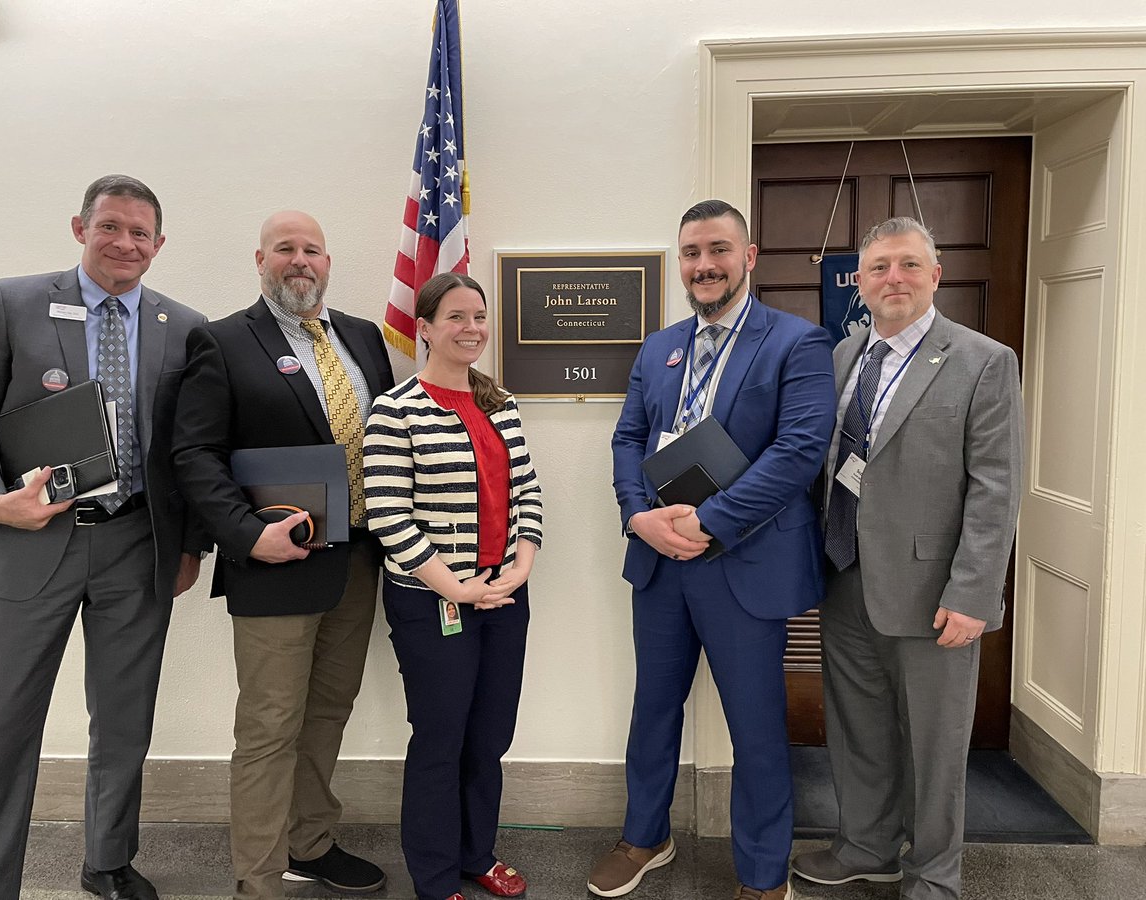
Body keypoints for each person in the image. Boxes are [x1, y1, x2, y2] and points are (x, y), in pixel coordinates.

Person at [0, 175, 207, 900]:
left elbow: (189, 450)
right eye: (110, 227)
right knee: (5, 726)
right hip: (33, 544)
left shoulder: (183, 327)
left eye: (140, 233)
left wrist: (189, 545)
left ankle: (108, 863)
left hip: (136, 547)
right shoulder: (14, 302)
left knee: (124, 723)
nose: (125, 243)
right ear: (79, 228)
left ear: (159, 244)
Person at [589, 200, 836, 900]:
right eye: (692, 252)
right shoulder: (658, 347)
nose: (705, 265)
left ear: (748, 257)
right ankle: (645, 835)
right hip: (661, 562)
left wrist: (710, 522)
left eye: (719, 249)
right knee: (654, 709)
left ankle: (763, 876)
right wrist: (639, 518)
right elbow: (628, 440)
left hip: (745, 564)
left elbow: (798, 453)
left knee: (755, 727)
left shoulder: (797, 342)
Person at [791, 217, 1023, 900]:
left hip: (934, 594)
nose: (894, 278)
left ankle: (933, 875)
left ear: (934, 276)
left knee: (934, 744)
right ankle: (866, 846)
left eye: (909, 265)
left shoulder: (983, 360)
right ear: (858, 283)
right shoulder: (844, 356)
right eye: (880, 268)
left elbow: (995, 489)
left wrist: (975, 593)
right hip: (844, 577)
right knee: (857, 730)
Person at [171, 211, 393, 900]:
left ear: (329, 262)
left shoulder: (361, 338)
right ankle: (259, 877)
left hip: (357, 559)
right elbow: (194, 454)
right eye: (286, 249)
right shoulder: (224, 340)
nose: (301, 260)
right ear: (260, 259)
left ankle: (311, 843)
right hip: (275, 564)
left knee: (329, 711)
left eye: (313, 250)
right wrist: (244, 533)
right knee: (269, 725)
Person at [363, 272, 543, 900]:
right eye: (457, 318)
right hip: (431, 601)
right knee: (440, 739)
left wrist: (522, 565)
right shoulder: (396, 408)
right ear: (427, 329)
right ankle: (437, 878)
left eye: (479, 317)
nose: (472, 330)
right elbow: (388, 513)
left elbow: (527, 492)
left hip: (505, 597)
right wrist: (457, 589)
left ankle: (477, 854)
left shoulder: (501, 405)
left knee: (490, 737)